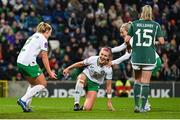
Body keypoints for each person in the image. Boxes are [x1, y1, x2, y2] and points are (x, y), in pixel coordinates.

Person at [110, 22, 162, 111]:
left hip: (152, 61)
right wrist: (107, 50)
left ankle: (145, 105)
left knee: (141, 82)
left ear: (129, 31)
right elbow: (119, 48)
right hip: (151, 60)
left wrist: (113, 62)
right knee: (142, 82)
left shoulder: (132, 39)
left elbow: (127, 55)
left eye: (122, 32)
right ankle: (145, 104)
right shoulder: (133, 38)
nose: (121, 34)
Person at [124, 5, 164, 113]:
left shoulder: (134, 24)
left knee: (137, 81)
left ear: (141, 12)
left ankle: (136, 106)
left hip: (136, 56)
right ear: (151, 13)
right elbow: (162, 42)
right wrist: (153, 42)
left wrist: (128, 47)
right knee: (146, 82)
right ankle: (143, 108)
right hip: (149, 57)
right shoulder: (156, 25)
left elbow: (127, 40)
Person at [17, 22, 57, 112]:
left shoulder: (34, 36)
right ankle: (23, 100)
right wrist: (50, 72)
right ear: (46, 31)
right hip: (28, 62)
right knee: (43, 84)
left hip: (20, 61)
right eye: (50, 32)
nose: (50, 35)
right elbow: (44, 57)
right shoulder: (43, 39)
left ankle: (26, 105)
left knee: (33, 83)